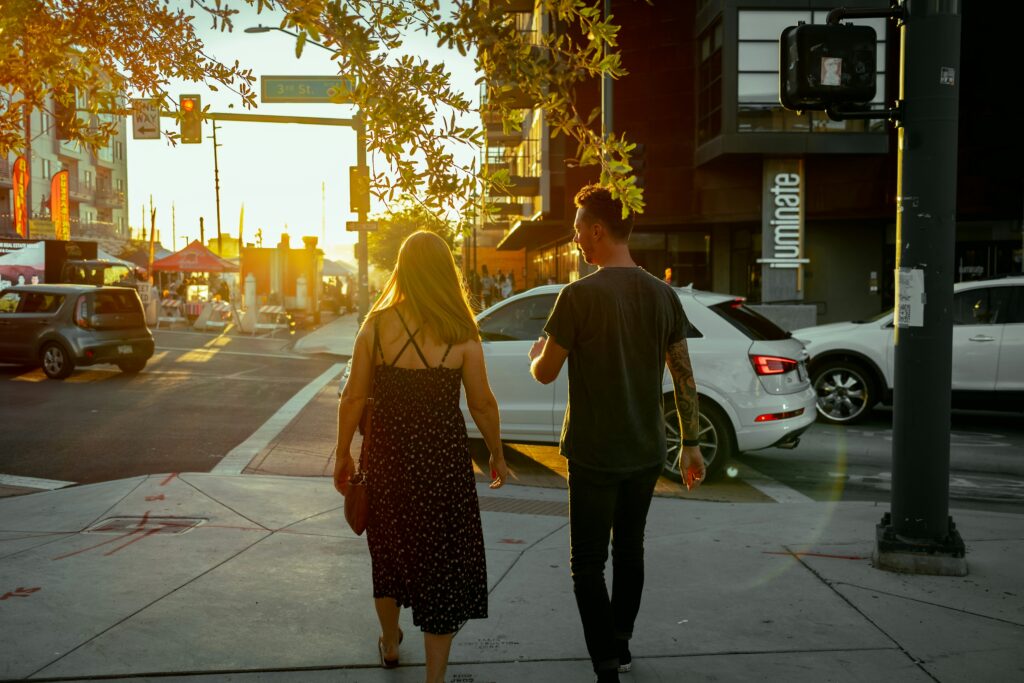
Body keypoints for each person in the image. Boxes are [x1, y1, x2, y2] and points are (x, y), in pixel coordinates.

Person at [527, 184, 706, 683]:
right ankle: (621, 643)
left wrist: (536, 354)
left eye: (579, 228)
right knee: (631, 551)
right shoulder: (663, 295)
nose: (576, 237)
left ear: (598, 231)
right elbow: (683, 375)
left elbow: (544, 373)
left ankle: (605, 662)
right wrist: (689, 443)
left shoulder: (577, 296)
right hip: (647, 450)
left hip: (592, 453)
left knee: (587, 562)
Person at [334, 230, 509, 683]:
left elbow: (353, 399)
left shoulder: (375, 328)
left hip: (387, 463)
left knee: (388, 557)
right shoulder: (461, 332)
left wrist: (342, 454)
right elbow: (482, 403)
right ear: (444, 273)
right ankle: (435, 678)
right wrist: (497, 454)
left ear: (403, 270)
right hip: (442, 467)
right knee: (441, 569)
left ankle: (391, 644)